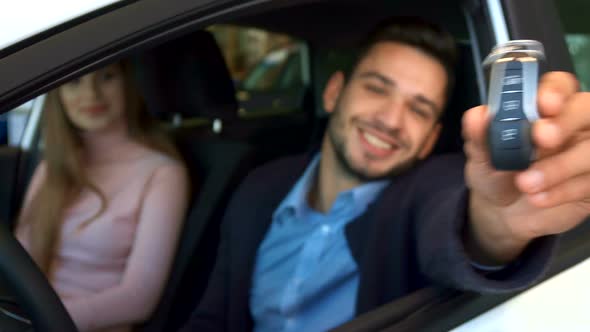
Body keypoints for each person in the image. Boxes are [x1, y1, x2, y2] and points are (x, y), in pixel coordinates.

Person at [180, 17, 590, 332]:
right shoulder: (260, 186)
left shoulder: (419, 194)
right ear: (334, 92)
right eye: (377, 87)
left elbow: (457, 218)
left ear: (430, 140)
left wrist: (498, 227)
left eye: (419, 109)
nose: (391, 121)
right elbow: (212, 318)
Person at [15, 60, 189, 332]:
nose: (92, 94)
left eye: (107, 77)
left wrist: (40, 322)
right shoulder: (53, 167)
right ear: (57, 95)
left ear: (129, 83)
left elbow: (139, 298)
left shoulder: (162, 173)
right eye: (74, 81)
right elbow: (23, 262)